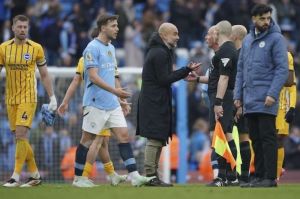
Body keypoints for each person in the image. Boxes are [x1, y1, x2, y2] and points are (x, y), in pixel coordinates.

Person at [75, 14, 153, 187]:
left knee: (124, 136)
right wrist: (115, 91)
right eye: (113, 25)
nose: (117, 28)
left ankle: (134, 176)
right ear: (103, 27)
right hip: (95, 102)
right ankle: (78, 178)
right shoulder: (91, 48)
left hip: (111, 103)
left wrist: (120, 98)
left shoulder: (110, 48)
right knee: (87, 140)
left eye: (117, 25)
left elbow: (114, 74)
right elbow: (94, 77)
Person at [136, 22, 200, 186]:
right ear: (164, 35)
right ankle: (150, 176)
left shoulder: (160, 51)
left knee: (158, 138)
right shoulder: (159, 53)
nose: (177, 37)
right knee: (154, 138)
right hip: (153, 102)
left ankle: (153, 176)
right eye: (175, 33)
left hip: (156, 100)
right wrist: (185, 70)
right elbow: (164, 79)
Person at [234, 4, 288, 187]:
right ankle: (259, 176)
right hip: (249, 98)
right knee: (255, 139)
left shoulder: (277, 39)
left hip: (266, 98)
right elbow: (241, 70)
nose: (266, 21)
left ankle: (270, 178)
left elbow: (282, 70)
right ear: (253, 19)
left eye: (268, 18)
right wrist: (237, 96)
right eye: (262, 18)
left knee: (267, 138)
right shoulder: (248, 40)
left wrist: (273, 93)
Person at [0, 15, 57, 187]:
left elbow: (45, 75)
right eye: (20, 27)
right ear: (13, 28)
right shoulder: (3, 48)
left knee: (20, 135)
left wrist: (52, 97)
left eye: (25, 27)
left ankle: (15, 177)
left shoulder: (36, 48)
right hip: (10, 99)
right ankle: (35, 176)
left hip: (28, 98)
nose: (23, 30)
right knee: (20, 139)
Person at [57, 54, 127, 186]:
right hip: (98, 106)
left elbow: (76, 80)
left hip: (102, 105)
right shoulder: (97, 59)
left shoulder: (84, 59)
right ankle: (83, 176)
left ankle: (112, 175)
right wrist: (65, 101)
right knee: (95, 141)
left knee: (103, 143)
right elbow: (77, 81)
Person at [185, 25, 220, 182]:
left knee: (214, 140)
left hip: (206, 121)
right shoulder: (190, 95)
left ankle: (222, 174)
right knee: (208, 140)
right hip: (194, 128)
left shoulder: (215, 63)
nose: (198, 65)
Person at [230, 25, 252, 186]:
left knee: (241, 138)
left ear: (235, 36)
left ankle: (240, 176)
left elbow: (246, 81)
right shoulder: (243, 53)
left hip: (240, 102)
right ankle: (242, 175)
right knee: (242, 138)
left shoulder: (242, 54)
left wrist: (240, 104)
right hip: (240, 102)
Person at [275, 51, 296, 180]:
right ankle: (259, 171)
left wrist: (292, 107)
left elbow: (291, 84)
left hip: (282, 103)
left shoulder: (286, 55)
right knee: (259, 137)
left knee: (278, 138)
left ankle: (276, 173)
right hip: (262, 101)